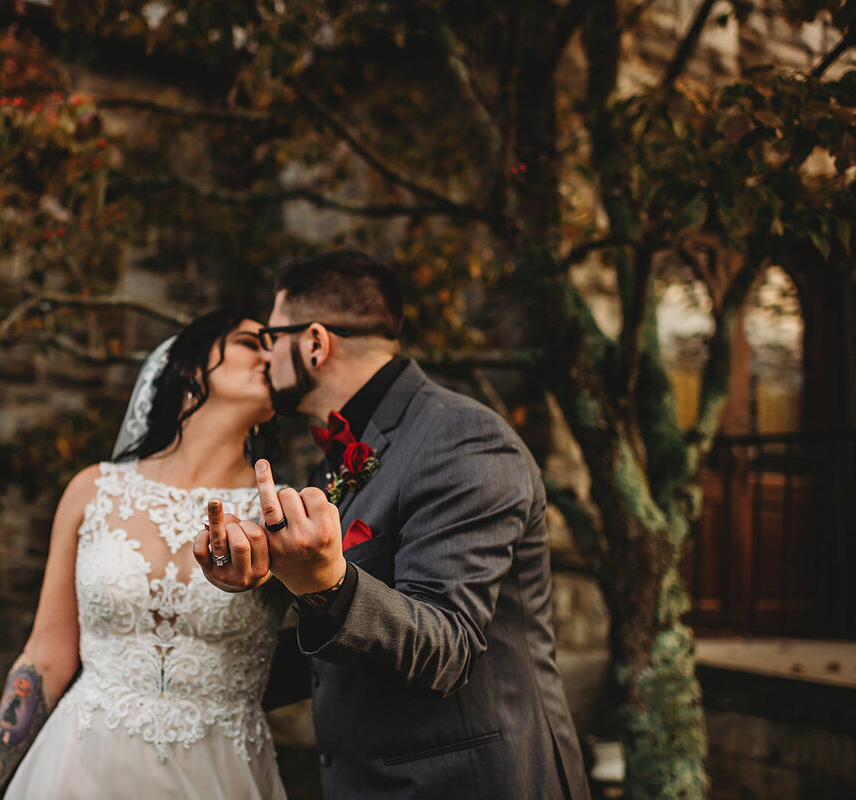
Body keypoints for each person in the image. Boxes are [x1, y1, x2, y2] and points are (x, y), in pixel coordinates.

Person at [197, 250, 592, 799]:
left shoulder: (465, 439)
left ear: (314, 343)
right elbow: (334, 647)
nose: (266, 358)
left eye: (272, 338)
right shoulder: (334, 462)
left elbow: (446, 649)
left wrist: (326, 584)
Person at [0, 310, 291, 800]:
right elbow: (46, 655)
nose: (273, 355)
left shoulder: (280, 513)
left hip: (220, 774)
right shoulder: (92, 490)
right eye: (253, 342)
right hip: (79, 765)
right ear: (189, 367)